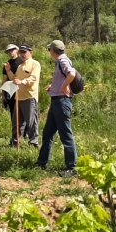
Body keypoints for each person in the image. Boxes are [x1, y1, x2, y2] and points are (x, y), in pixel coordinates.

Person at [37, 40, 79, 177]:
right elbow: (64, 77)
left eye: (49, 50)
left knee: (66, 135)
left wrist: (64, 86)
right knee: (48, 133)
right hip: (56, 101)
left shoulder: (62, 60)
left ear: (53, 51)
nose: (49, 52)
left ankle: (71, 168)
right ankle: (41, 163)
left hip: (62, 102)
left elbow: (71, 74)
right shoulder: (61, 60)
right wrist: (54, 87)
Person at [4, 44, 41, 147]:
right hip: (18, 97)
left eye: (24, 52)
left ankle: (33, 142)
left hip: (29, 97)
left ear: (30, 52)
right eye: (21, 52)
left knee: (31, 122)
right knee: (17, 121)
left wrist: (23, 81)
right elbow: (14, 79)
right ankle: (15, 141)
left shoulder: (35, 64)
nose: (22, 54)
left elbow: (34, 78)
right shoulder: (20, 66)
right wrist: (8, 71)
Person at [1, 44, 22, 117]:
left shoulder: (22, 61)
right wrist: (3, 94)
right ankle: (15, 127)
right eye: (9, 51)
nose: (11, 52)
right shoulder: (7, 64)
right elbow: (5, 79)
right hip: (10, 91)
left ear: (17, 50)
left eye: (12, 50)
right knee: (13, 112)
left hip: (21, 90)